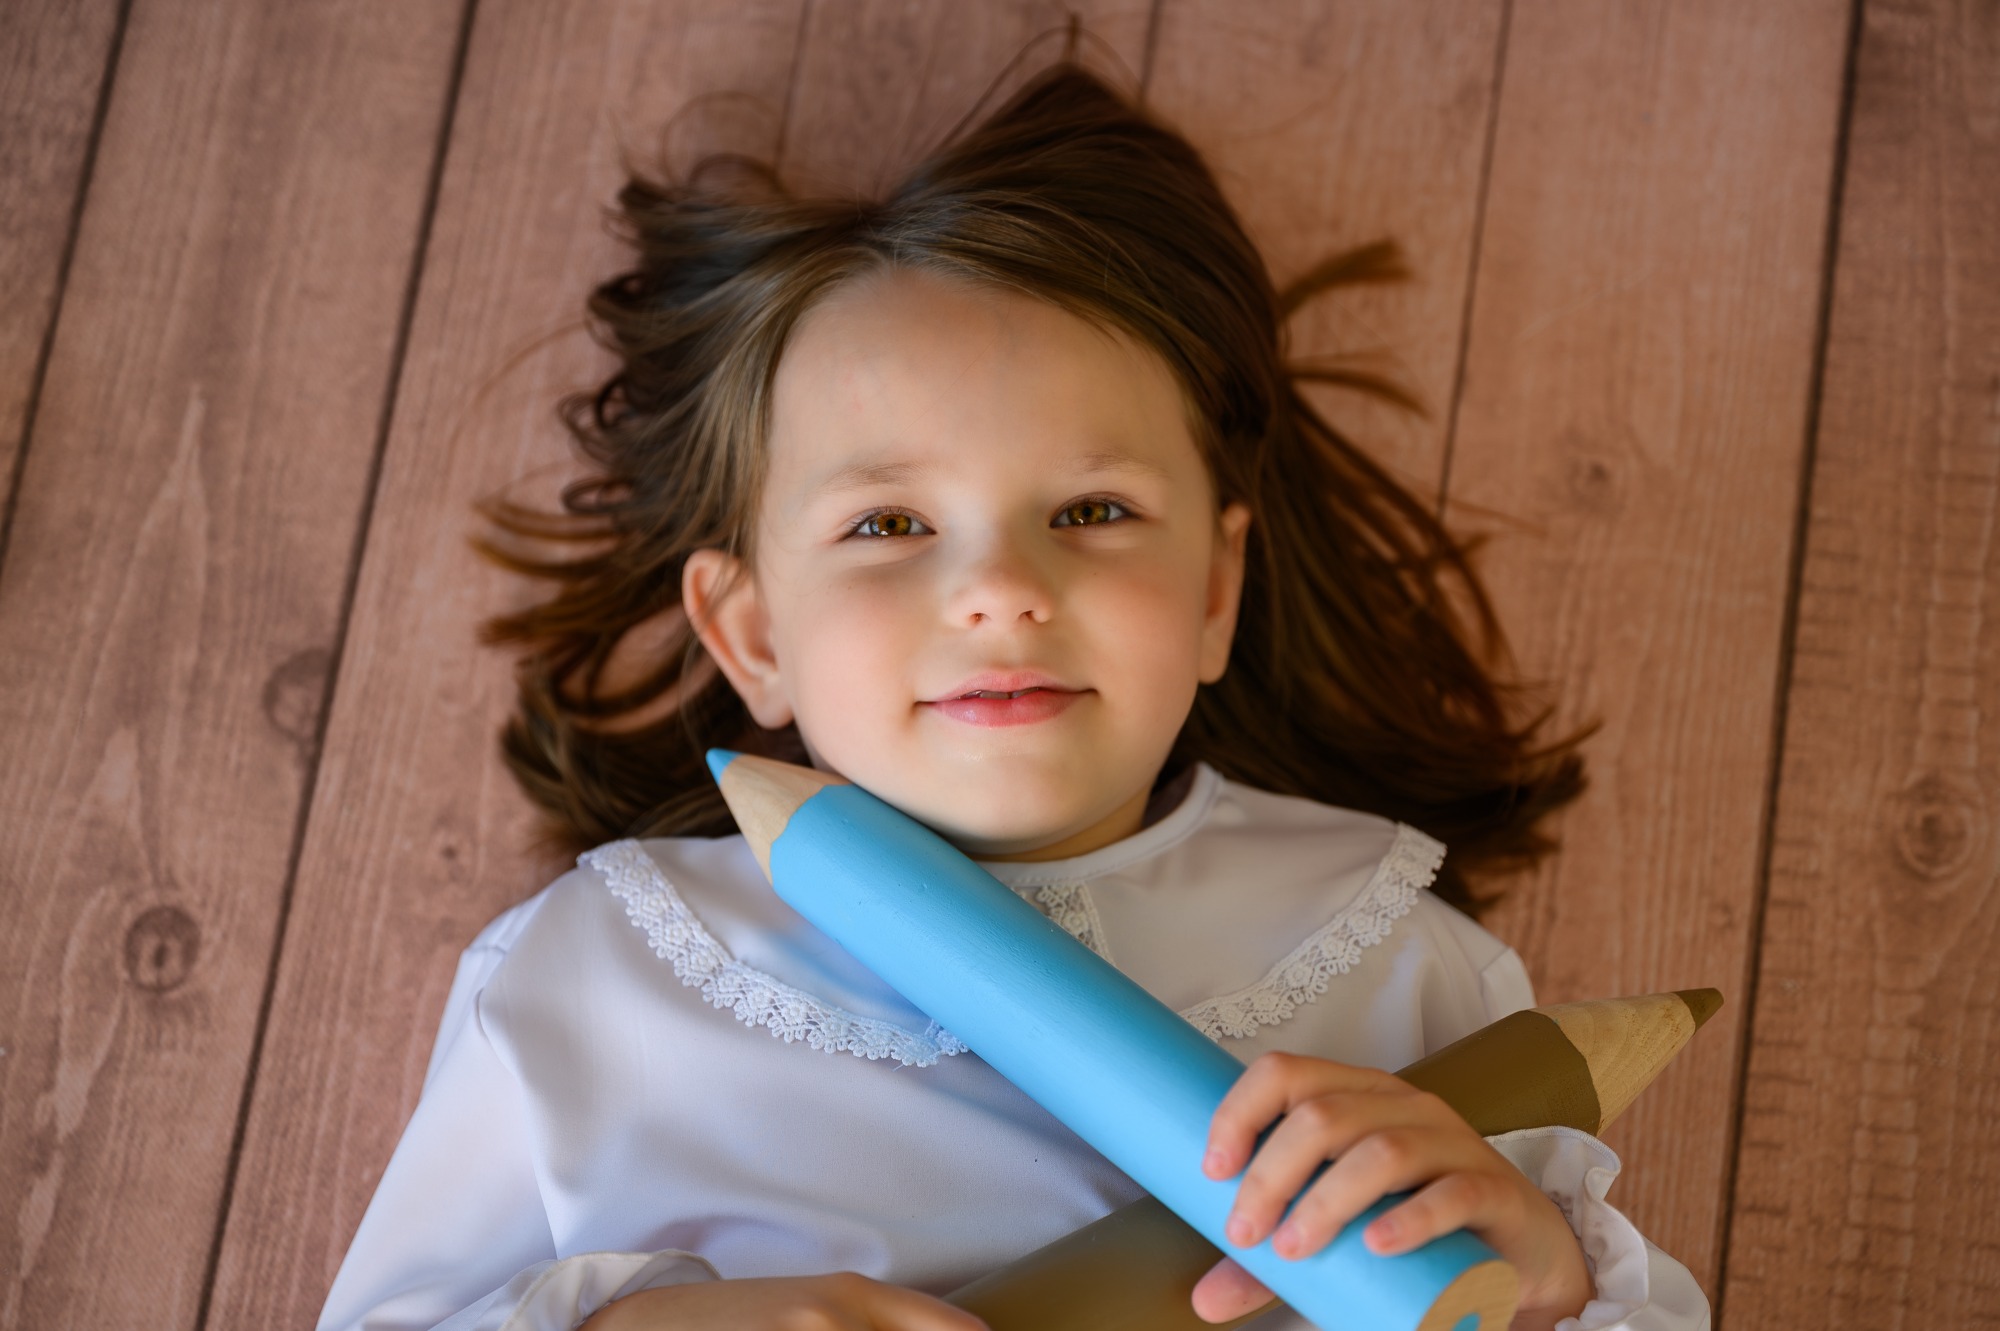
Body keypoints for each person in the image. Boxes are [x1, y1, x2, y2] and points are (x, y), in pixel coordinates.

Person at [316, 60, 1712, 1331]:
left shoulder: (1411, 968)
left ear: (1216, 592)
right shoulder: (595, 977)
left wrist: (1546, 1277)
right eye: (887, 525)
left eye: (1093, 510)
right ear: (750, 637)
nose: (998, 588)